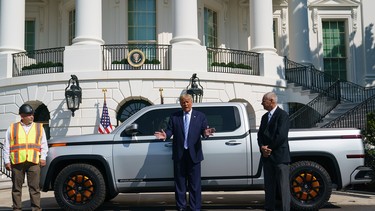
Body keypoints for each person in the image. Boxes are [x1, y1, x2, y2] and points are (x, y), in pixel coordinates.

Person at [154, 94, 214, 211]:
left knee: (195, 185)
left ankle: (195, 208)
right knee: (180, 184)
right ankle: (181, 207)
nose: (185, 104)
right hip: (179, 155)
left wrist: (206, 133)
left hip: (194, 155)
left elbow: (204, 131)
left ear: (191, 102)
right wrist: (166, 135)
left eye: (187, 102)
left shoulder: (200, 116)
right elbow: (170, 130)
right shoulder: (174, 116)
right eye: (183, 102)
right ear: (180, 103)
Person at [2, 103, 49, 211]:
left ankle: (36, 209)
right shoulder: (12, 128)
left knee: (35, 188)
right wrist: (6, 161)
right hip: (17, 162)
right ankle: (17, 208)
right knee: (16, 188)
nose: (32, 116)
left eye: (32, 114)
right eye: (29, 115)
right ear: (22, 116)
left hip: (34, 161)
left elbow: (44, 144)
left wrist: (43, 158)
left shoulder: (39, 128)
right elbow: (6, 146)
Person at [257, 92, 291, 211]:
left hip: (280, 157)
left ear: (271, 101)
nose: (262, 103)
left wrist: (268, 148)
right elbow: (260, 135)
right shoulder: (264, 117)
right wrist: (262, 147)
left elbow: (281, 136)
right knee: (269, 187)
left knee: (283, 188)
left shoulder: (283, 115)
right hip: (267, 158)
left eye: (263, 101)